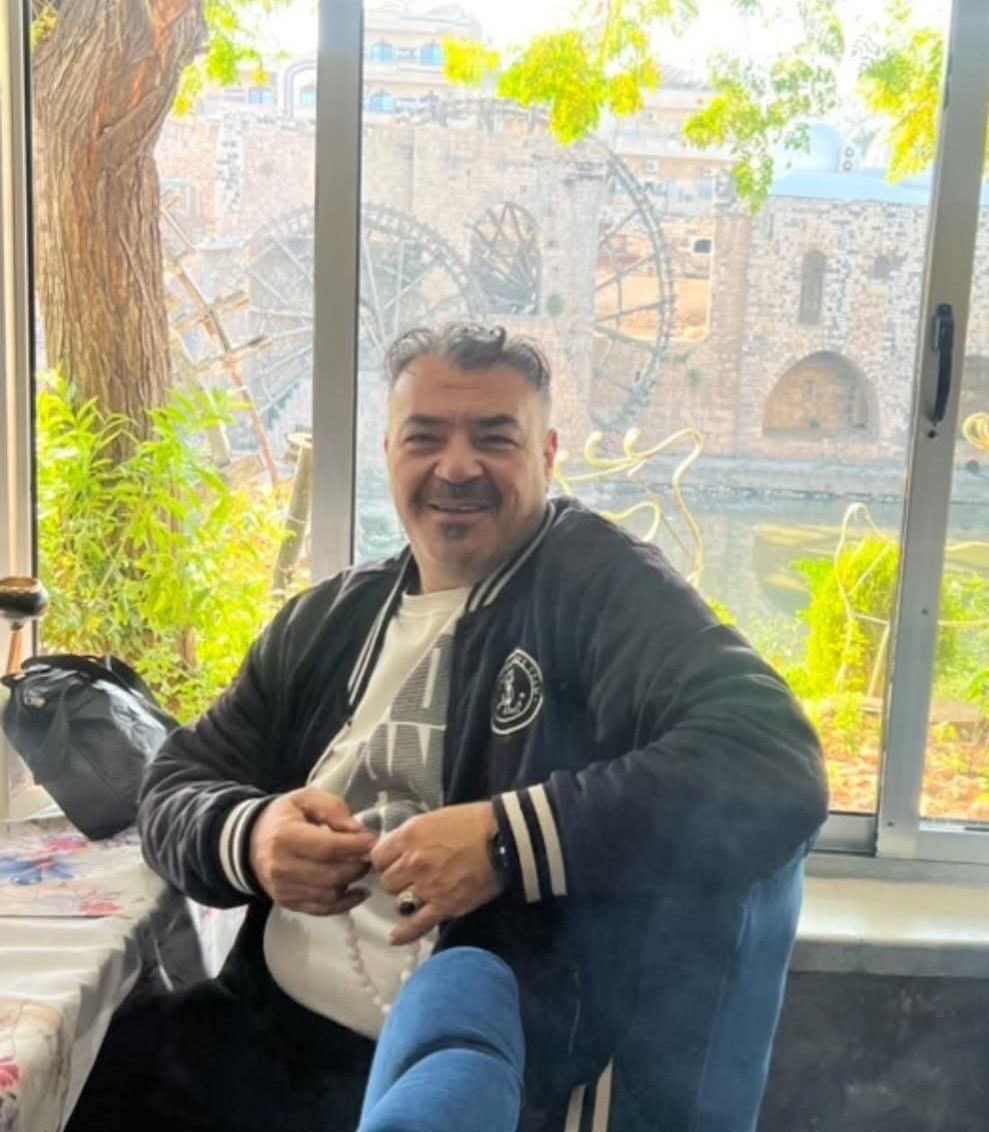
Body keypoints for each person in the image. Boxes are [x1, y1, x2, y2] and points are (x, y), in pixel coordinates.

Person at [68, 323, 828, 1132]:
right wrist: (251, 837)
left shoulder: (604, 591)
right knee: (75, 1081)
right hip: (261, 1037)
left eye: (494, 438)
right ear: (388, 452)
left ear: (547, 454)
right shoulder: (328, 619)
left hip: (488, 1077)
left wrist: (506, 841)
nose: (456, 467)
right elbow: (175, 782)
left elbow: (773, 766)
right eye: (424, 437)